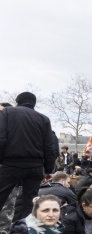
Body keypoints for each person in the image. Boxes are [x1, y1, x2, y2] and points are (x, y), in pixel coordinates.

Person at [0, 92, 56, 222]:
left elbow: (1, 138)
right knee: (30, 204)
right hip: (35, 167)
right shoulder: (44, 119)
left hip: (11, 164)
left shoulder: (7, 112)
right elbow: (49, 147)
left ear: (17, 102)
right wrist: (48, 170)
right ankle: (24, 233)